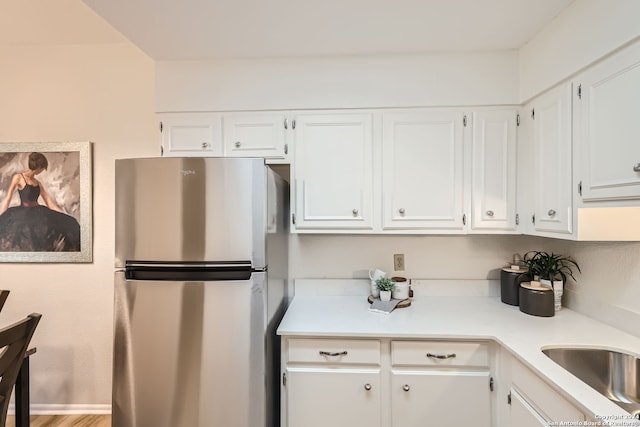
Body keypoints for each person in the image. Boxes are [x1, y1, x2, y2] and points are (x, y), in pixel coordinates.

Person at [0, 152, 80, 252]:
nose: (42, 171)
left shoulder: (37, 183)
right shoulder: (18, 177)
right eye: (42, 168)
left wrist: (62, 214)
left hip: (38, 211)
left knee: (70, 222)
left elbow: (48, 202)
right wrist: (2, 216)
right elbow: (8, 197)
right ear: (38, 167)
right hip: (23, 213)